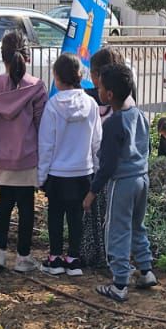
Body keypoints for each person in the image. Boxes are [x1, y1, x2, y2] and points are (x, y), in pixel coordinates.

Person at [83, 62, 156, 303]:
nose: (98, 91)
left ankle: (119, 283)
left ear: (110, 94)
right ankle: (145, 271)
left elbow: (108, 165)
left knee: (116, 229)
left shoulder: (114, 123)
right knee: (137, 225)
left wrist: (92, 192)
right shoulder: (139, 114)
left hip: (122, 183)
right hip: (141, 179)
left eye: (100, 87)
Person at [0, 29, 47, 274]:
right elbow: (41, 126)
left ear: (2, 56)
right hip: (28, 156)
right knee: (26, 207)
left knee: (4, 203)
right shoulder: (36, 87)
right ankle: (23, 257)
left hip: (0, 156)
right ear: (27, 56)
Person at [38, 52, 102, 276]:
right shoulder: (91, 104)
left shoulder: (53, 105)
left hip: (57, 172)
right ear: (80, 75)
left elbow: (46, 144)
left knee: (55, 215)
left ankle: (55, 258)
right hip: (83, 171)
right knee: (76, 216)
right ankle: (74, 259)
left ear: (57, 77)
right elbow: (97, 142)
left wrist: (41, 176)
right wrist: (96, 170)